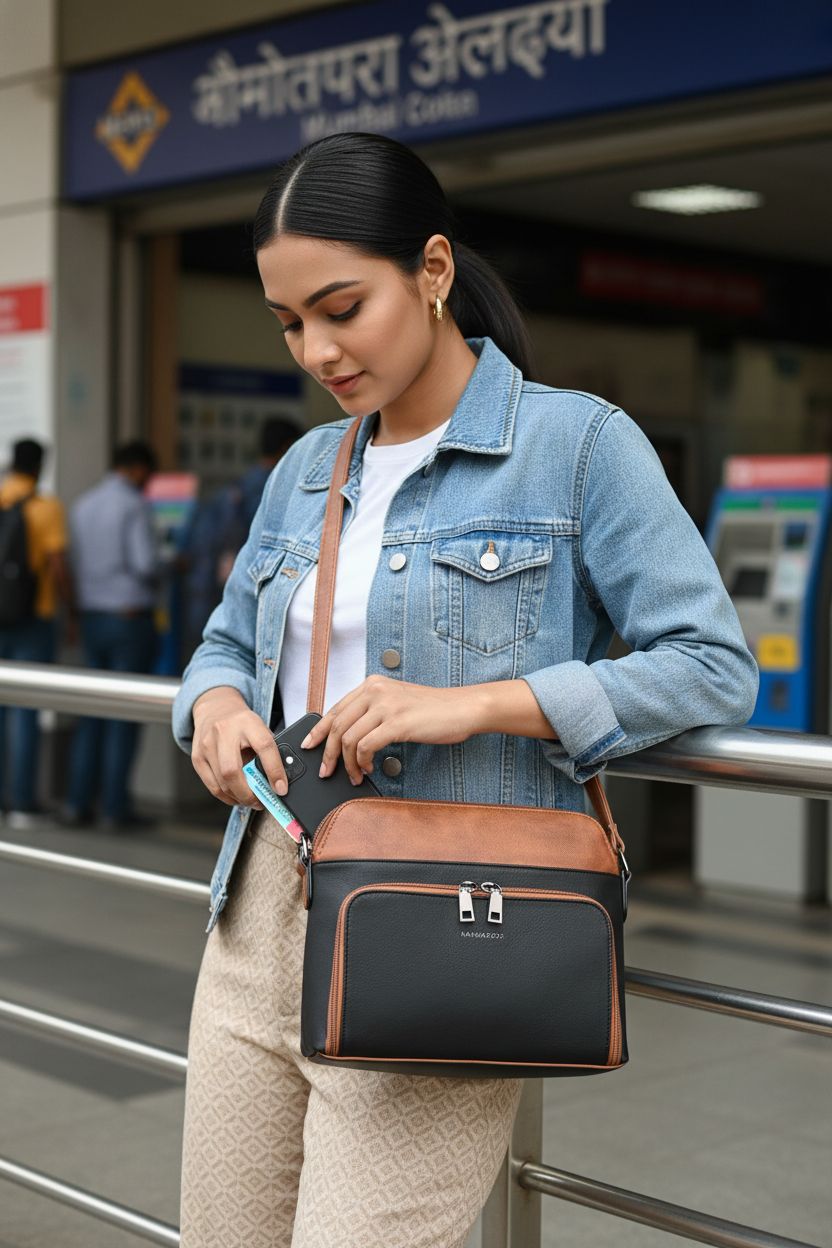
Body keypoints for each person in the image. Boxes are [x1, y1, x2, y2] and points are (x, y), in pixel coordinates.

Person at [172, 133, 759, 1248]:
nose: (317, 350)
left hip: (446, 922)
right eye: (291, 322)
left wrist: (478, 703)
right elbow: (219, 643)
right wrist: (213, 707)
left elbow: (713, 664)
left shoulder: (576, 446)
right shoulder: (305, 468)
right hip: (256, 920)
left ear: (432, 271)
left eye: (342, 307)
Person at [63, 441, 159, 828]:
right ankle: (113, 809)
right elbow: (145, 563)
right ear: (137, 469)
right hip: (128, 619)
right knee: (124, 715)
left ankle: (76, 803)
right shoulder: (133, 506)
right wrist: (171, 563)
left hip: (92, 618)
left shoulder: (83, 504)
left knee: (93, 715)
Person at [181, 416, 302, 656]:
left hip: (210, 593)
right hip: (254, 598)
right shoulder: (283, 490)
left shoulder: (234, 487)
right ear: (288, 447)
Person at [0, 438, 72, 828]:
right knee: (24, 712)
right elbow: (58, 565)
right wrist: (73, 614)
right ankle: (22, 803)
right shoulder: (46, 508)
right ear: (40, 466)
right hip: (33, 618)